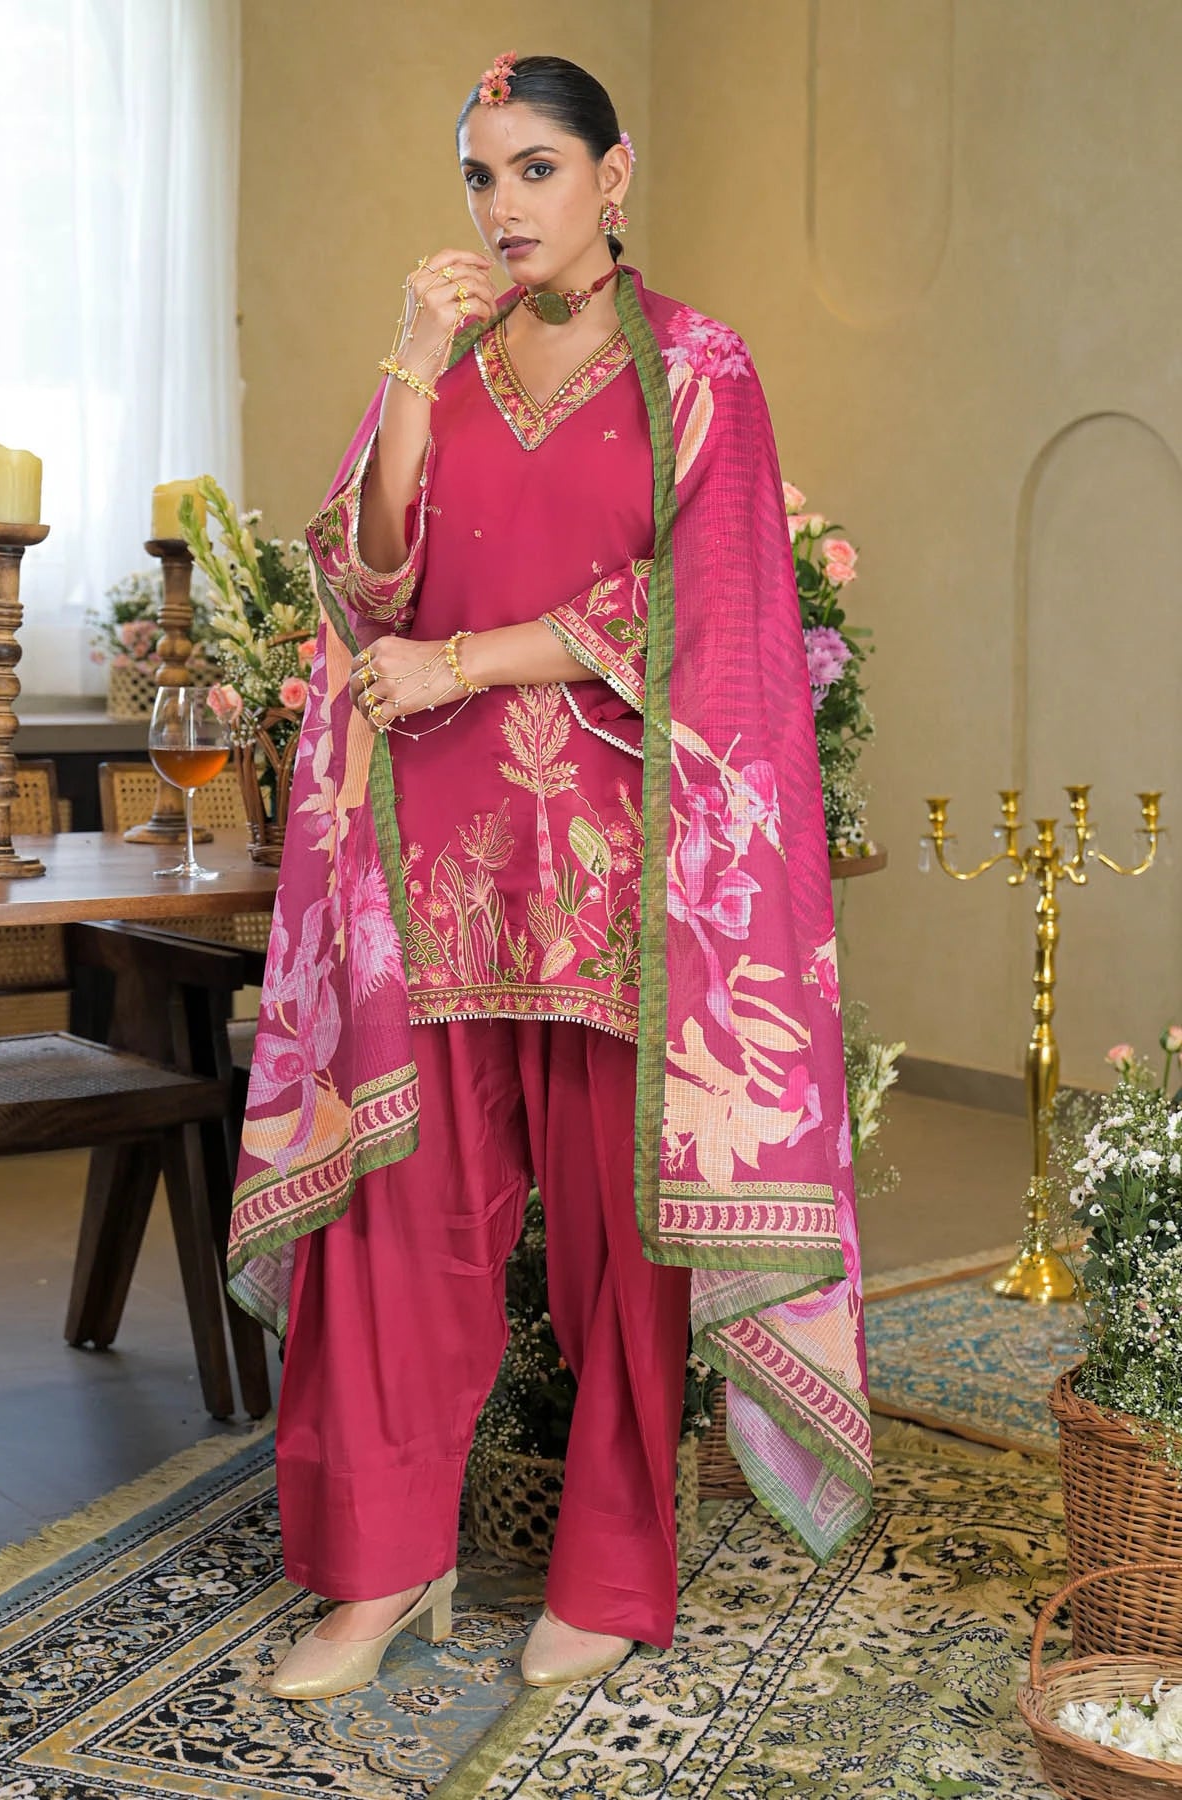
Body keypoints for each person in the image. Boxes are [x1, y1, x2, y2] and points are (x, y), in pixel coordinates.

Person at [226, 51, 872, 1702]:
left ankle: (610, 1567)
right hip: (433, 864)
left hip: (614, 874)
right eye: (479, 176)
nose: (503, 204)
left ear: (612, 173)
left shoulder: (695, 365)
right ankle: (382, 1573)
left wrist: (471, 663)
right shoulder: (440, 358)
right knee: (398, 1221)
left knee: (614, 1234)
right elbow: (371, 580)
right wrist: (412, 367)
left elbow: (704, 602)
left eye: (533, 168)